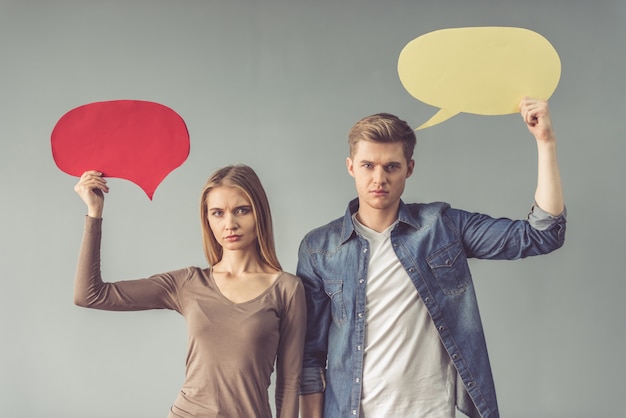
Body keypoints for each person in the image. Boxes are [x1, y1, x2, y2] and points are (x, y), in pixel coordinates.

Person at [297, 98, 566, 418]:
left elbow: (541, 234)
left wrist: (545, 143)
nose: (379, 178)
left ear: (409, 169)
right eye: (368, 165)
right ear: (351, 166)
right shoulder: (319, 248)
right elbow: (310, 358)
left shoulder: (442, 226)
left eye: (391, 166)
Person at [73, 164, 306, 418]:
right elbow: (90, 294)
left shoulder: (287, 289)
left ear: (259, 213)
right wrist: (94, 212)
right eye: (218, 213)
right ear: (207, 219)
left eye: (241, 210)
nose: (230, 223)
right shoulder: (188, 283)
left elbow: (290, 383)